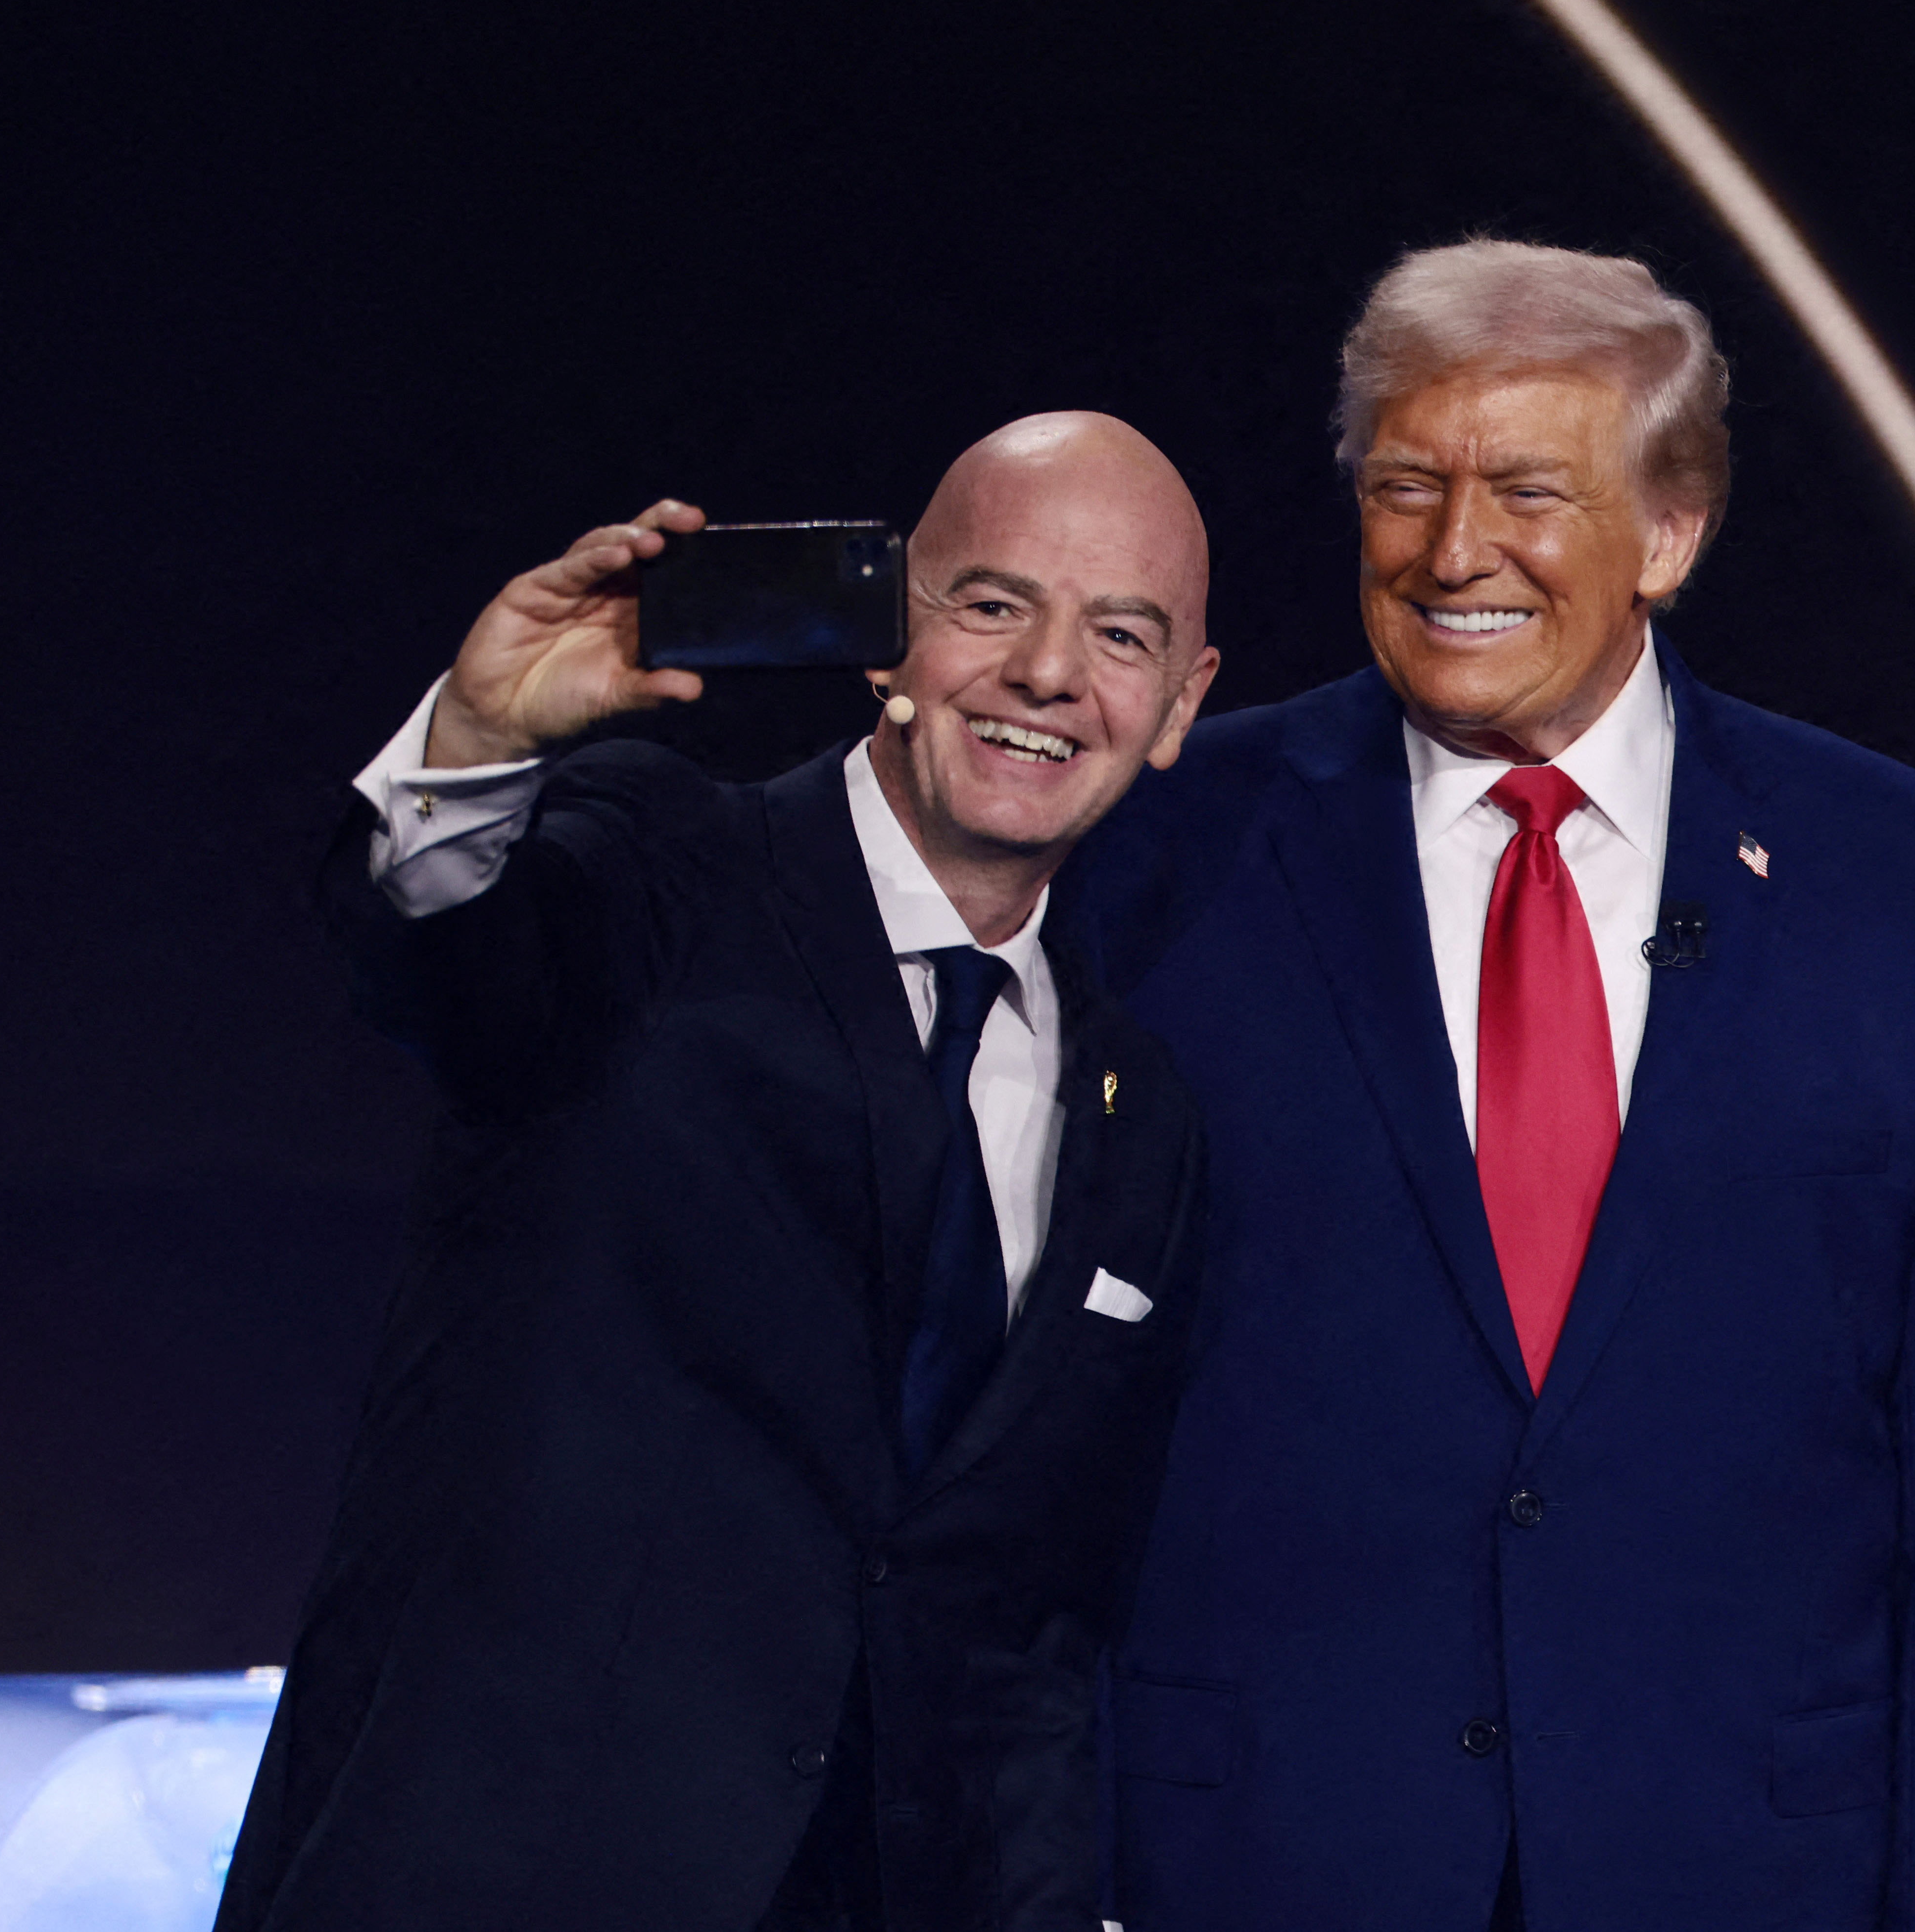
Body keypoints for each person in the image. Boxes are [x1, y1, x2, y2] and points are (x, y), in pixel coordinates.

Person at [1063, 239, 1915, 1928]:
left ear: (1669, 532)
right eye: (1405, 487)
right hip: (1264, 1854)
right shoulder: (1173, 842)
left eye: (1527, 490)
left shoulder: (1910, 882)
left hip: (1749, 1864)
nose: (1454, 551)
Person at [215, 412, 1223, 1932]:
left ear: (1178, 707)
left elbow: (1028, 1626)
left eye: (1120, 632)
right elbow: (437, 954)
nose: (1046, 676)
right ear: (888, 638)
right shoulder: (655, 866)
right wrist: (481, 747)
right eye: (994, 603)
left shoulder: (1138, 1115)